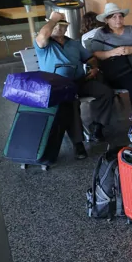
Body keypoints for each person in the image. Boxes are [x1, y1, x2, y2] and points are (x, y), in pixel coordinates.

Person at [36, 12, 114, 158]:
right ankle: (78, 144)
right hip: (58, 87)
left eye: (62, 24)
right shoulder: (45, 44)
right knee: (71, 103)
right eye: (55, 24)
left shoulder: (74, 44)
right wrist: (53, 19)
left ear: (66, 28)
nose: (58, 27)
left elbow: (90, 58)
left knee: (106, 92)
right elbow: (42, 36)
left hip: (79, 81)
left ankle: (98, 126)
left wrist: (93, 68)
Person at [87, 3, 132, 122]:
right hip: (119, 71)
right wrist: (113, 52)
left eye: (120, 16)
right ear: (106, 20)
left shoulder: (130, 29)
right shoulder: (101, 33)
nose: (118, 19)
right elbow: (95, 53)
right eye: (113, 17)